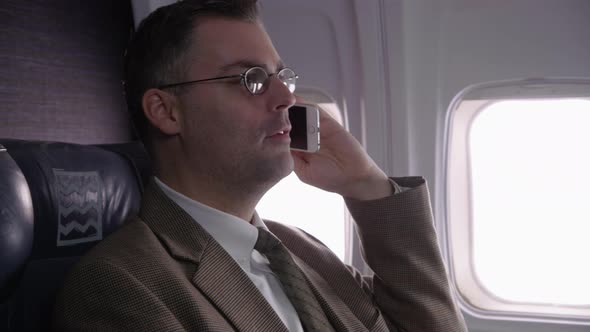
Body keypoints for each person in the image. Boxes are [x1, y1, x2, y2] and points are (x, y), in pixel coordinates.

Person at [53, 0, 467, 331]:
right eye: (250, 79)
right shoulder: (120, 285)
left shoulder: (303, 248)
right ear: (166, 111)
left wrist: (368, 187)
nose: (287, 98)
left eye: (281, 76)